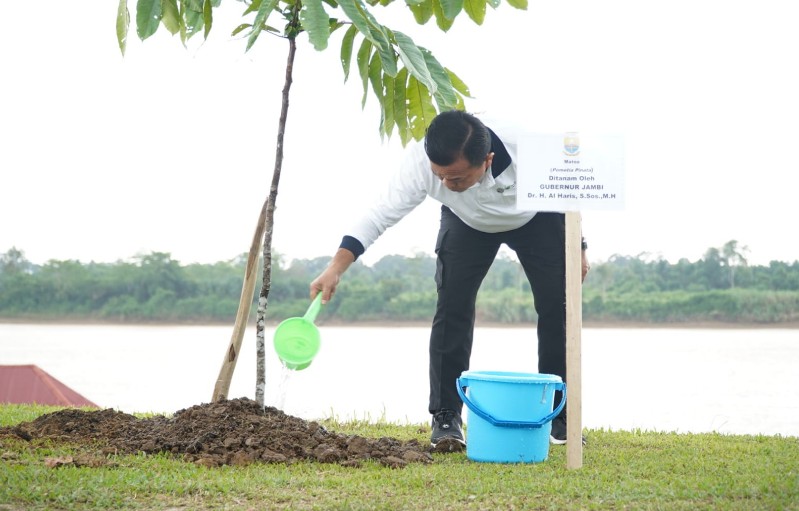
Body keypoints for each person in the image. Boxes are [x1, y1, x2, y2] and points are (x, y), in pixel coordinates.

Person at [310, 110, 589, 448]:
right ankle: (446, 417)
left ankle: (560, 416)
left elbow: (570, 190)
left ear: (487, 160)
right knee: (451, 308)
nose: (445, 184)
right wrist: (335, 267)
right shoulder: (422, 163)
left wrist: (579, 247)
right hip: (466, 222)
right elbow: (379, 215)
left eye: (456, 179)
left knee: (557, 308)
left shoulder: (528, 148)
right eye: (439, 176)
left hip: (536, 216)